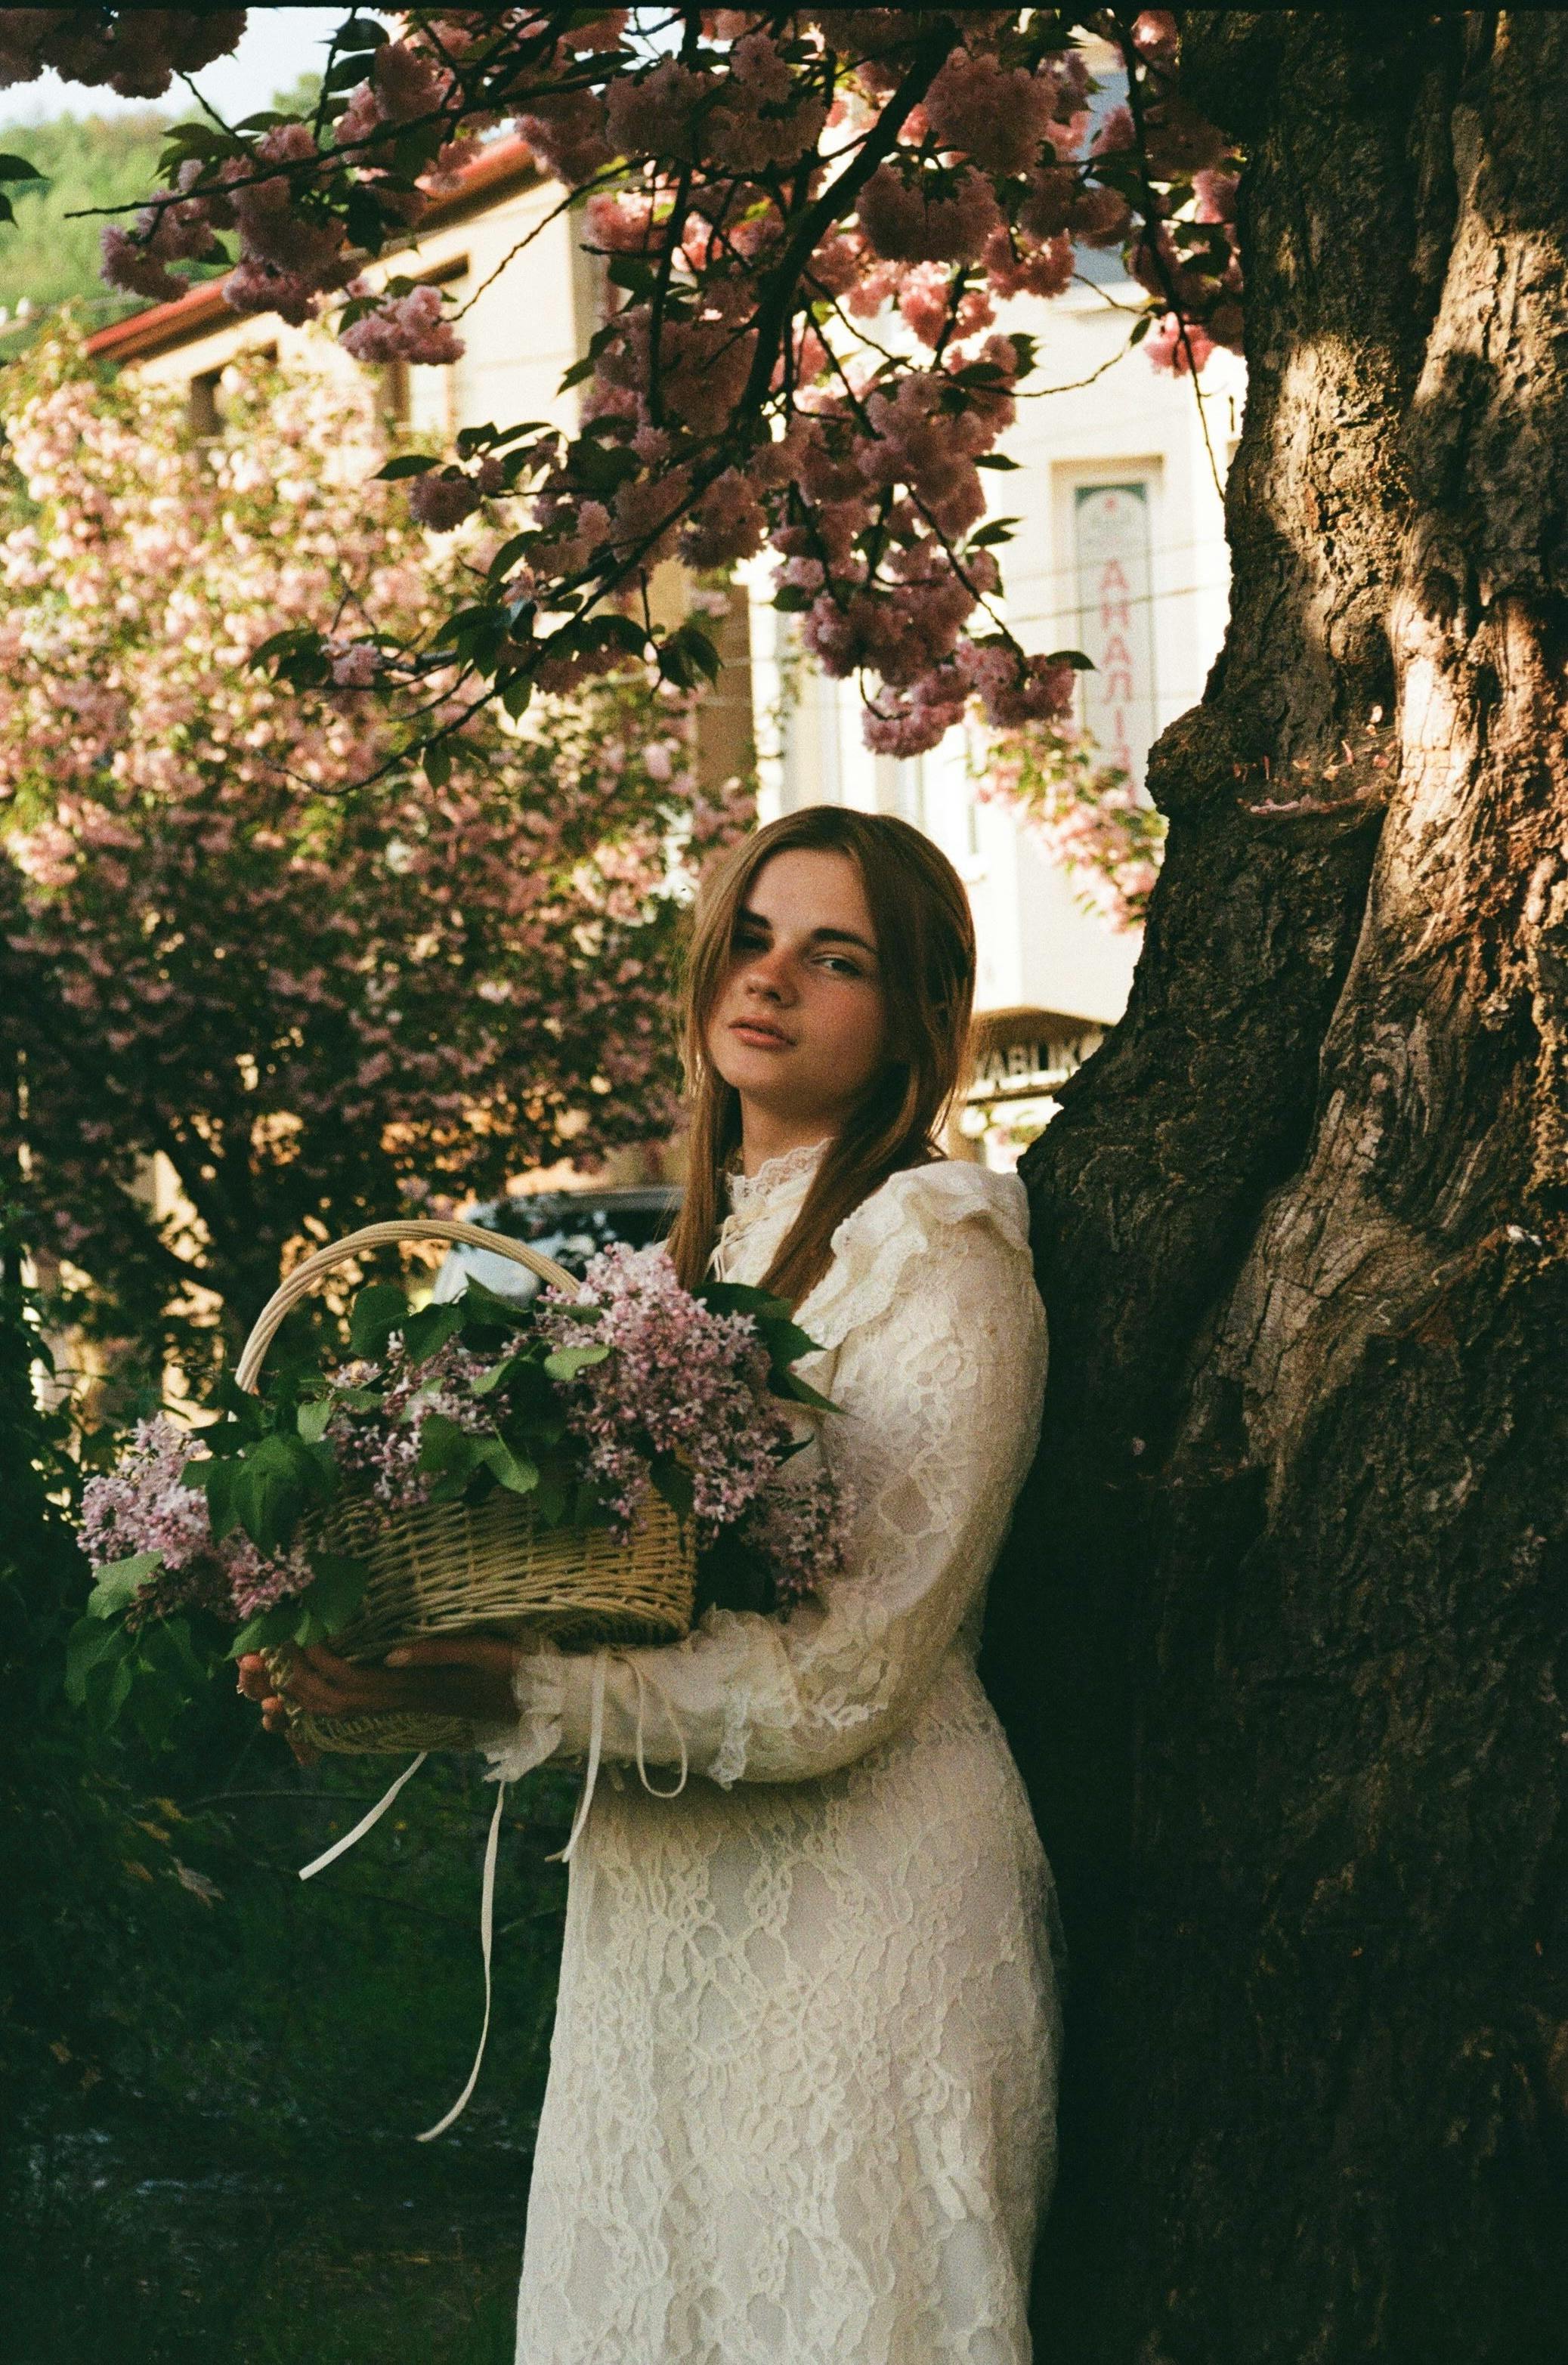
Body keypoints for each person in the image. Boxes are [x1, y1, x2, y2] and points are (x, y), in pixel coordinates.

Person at [240, 806, 1061, 2363]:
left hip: (863, 1903)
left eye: (836, 957)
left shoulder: (937, 1256)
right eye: (752, 936)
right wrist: (381, 1657)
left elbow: (848, 1675)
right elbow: (615, 1607)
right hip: (662, 1897)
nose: (769, 979)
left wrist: (505, 1687)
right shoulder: (683, 1270)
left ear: (913, 1015)